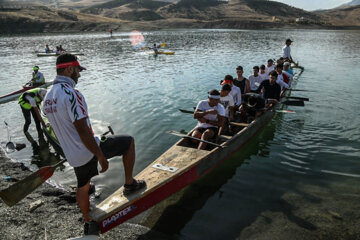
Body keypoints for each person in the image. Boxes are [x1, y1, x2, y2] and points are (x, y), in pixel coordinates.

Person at [42, 53, 146, 235]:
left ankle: (88, 219)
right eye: (78, 71)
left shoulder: (47, 98)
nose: (79, 75)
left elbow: (61, 128)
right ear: (69, 69)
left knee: (83, 186)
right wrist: (100, 156)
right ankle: (129, 183)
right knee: (128, 141)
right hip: (88, 149)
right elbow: (82, 130)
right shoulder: (72, 94)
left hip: (73, 155)